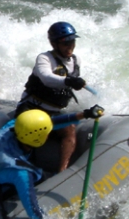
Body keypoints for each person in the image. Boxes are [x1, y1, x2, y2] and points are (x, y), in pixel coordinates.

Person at [16, 21, 86, 173]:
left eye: (72, 41)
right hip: (32, 108)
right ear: (54, 43)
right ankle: (20, 165)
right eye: (66, 42)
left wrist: (76, 82)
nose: (70, 46)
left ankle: (62, 171)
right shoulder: (44, 59)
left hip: (53, 113)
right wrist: (68, 80)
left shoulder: (76, 60)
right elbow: (46, 78)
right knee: (27, 134)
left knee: (70, 130)